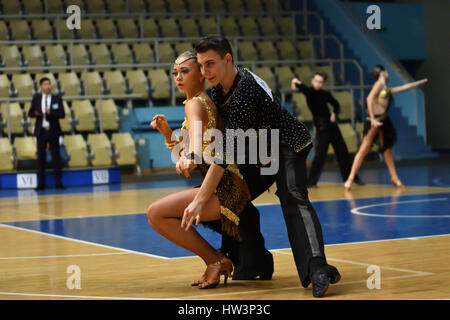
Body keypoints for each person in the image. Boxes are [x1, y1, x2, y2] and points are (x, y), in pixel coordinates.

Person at [182, 35, 341, 298]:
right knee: (234, 192)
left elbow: (225, 155)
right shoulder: (219, 88)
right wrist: (189, 151)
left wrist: (200, 199)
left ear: (228, 59)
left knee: (293, 196)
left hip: (287, 144)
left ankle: (318, 267)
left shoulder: (246, 92)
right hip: (258, 150)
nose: (204, 71)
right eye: (201, 65)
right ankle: (252, 261)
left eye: (210, 63)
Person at [146, 51, 275, 289]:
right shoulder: (202, 101)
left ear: (201, 74)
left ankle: (216, 260)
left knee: (156, 214)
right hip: (226, 185)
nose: (178, 77)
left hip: (224, 188)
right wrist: (167, 134)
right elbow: (185, 152)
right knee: (160, 213)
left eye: (185, 71)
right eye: (175, 72)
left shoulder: (195, 104)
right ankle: (218, 260)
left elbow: (193, 147)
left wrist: (192, 156)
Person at [344, 65, 428, 190]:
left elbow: (400, 88)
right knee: (364, 148)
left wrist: (416, 83)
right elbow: (369, 98)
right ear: (382, 72)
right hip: (375, 121)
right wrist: (372, 118)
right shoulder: (379, 84)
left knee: (387, 149)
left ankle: (394, 178)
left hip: (383, 120)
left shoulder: (385, 87)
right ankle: (350, 178)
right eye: (386, 71)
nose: (388, 73)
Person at [291, 72, 364, 187]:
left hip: (332, 126)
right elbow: (302, 87)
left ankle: (351, 178)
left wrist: (334, 113)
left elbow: (336, 104)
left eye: (320, 82)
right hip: (322, 128)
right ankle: (311, 182)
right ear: (312, 81)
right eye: (316, 81)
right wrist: (295, 81)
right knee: (320, 155)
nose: (318, 84)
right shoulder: (310, 93)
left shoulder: (325, 94)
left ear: (324, 83)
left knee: (343, 152)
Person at [28, 77, 65, 190]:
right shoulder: (36, 98)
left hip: (53, 131)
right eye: (45, 84)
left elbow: (62, 114)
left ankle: (58, 182)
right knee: (41, 158)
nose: (48, 86)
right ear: (41, 87)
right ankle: (41, 184)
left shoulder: (57, 98)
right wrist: (37, 114)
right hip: (41, 131)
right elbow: (30, 113)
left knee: (56, 157)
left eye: (49, 84)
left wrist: (51, 113)